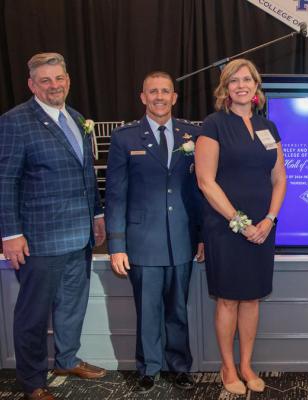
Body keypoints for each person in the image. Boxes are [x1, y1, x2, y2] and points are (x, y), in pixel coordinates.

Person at [0, 52, 106, 400]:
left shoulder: (75, 118)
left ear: (68, 79)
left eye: (58, 78)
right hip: (39, 239)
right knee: (32, 313)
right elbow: (5, 181)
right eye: (45, 81)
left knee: (71, 304)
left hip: (79, 236)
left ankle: (65, 359)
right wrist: (10, 234)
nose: (53, 85)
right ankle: (31, 381)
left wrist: (97, 216)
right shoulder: (15, 121)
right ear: (32, 85)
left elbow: (86, 175)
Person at [105, 71, 204, 393]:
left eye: (165, 91)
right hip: (142, 240)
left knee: (177, 309)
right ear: (143, 97)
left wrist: (201, 235)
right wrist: (116, 244)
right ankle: (148, 368)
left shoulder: (192, 133)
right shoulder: (125, 137)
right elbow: (116, 194)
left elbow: (199, 190)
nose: (159, 96)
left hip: (181, 237)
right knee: (148, 309)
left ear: (174, 97)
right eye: (153, 91)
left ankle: (179, 367)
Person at [195, 58, 286, 396]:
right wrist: (239, 222)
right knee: (229, 300)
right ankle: (228, 367)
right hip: (225, 226)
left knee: (252, 299)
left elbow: (280, 178)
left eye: (247, 79)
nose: (242, 85)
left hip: (263, 227)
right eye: (234, 81)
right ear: (225, 88)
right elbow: (206, 182)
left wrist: (269, 220)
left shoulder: (268, 127)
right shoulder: (214, 124)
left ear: (256, 86)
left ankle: (246, 364)